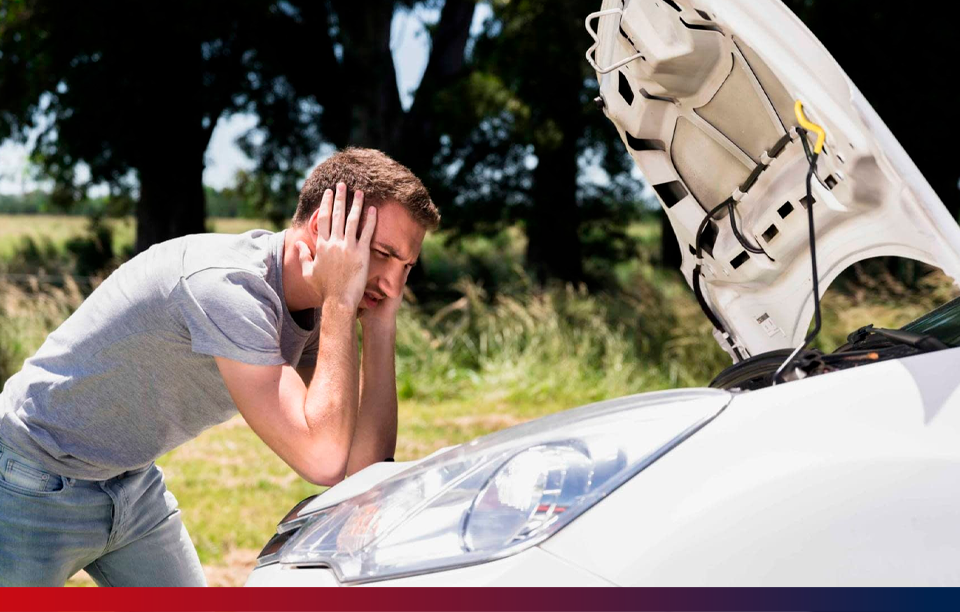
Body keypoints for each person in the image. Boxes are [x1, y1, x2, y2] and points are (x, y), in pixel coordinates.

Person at [0, 147, 439, 587]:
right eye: (382, 253)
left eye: (406, 266)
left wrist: (380, 325)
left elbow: (360, 472)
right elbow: (321, 459)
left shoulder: (315, 306)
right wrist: (343, 299)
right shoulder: (229, 288)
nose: (393, 284)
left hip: (130, 481)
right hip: (30, 475)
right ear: (327, 229)